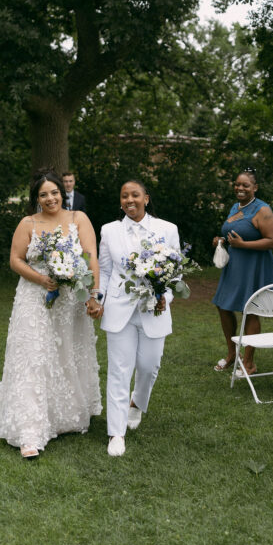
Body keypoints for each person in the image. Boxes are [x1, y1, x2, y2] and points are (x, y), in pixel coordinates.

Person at [0, 170, 101, 458]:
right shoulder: (28, 223)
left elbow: (90, 256)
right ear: (36, 198)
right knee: (33, 356)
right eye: (43, 194)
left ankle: (63, 417)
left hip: (70, 302)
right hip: (34, 299)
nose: (50, 198)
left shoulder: (78, 219)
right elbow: (15, 260)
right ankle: (29, 432)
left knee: (64, 356)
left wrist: (93, 295)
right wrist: (41, 279)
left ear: (63, 193)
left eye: (54, 192)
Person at [97, 179, 181, 457]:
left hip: (153, 310)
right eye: (124, 196)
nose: (129, 200)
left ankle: (136, 403)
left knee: (149, 367)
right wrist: (98, 300)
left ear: (146, 198)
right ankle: (116, 433)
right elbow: (105, 271)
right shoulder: (109, 231)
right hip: (119, 310)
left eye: (135, 195)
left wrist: (164, 297)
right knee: (119, 371)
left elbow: (175, 274)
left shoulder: (167, 230)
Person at [211, 169, 273, 376]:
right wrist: (221, 241)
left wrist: (244, 244)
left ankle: (248, 362)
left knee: (250, 310)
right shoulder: (235, 207)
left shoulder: (263, 210)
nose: (240, 188)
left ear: (255, 188)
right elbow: (235, 233)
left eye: (245, 186)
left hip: (254, 266)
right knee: (223, 306)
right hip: (234, 266)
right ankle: (233, 354)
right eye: (237, 185)